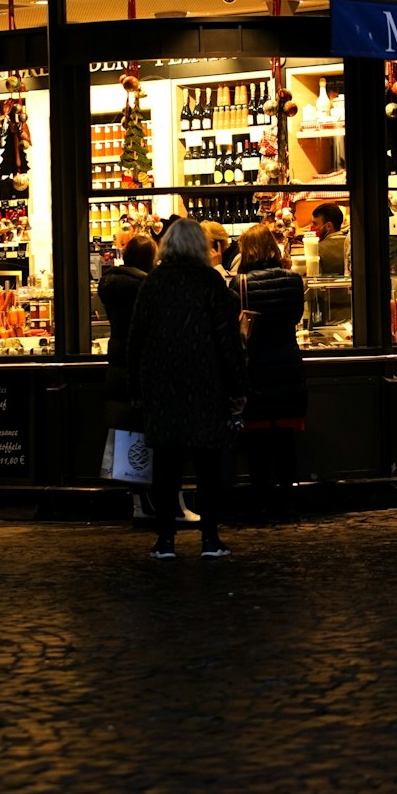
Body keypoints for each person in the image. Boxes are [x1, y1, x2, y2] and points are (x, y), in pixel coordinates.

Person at [127, 216, 245, 560]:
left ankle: (165, 540)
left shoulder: (153, 283)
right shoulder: (211, 283)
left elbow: (136, 339)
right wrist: (238, 387)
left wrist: (136, 386)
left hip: (162, 386)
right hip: (206, 384)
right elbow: (228, 341)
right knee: (208, 466)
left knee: (165, 466)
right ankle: (210, 539)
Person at [230, 224, 307, 523]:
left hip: (256, 370)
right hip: (288, 364)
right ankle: (287, 503)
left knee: (258, 444)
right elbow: (296, 318)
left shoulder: (240, 285)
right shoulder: (293, 280)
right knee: (286, 441)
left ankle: (259, 504)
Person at [97, 235, 157, 429]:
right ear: (150, 260)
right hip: (142, 368)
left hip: (117, 362)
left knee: (122, 432)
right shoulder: (146, 289)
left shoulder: (111, 284)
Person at [311, 202, 347, 274]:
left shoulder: (317, 249)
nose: (312, 228)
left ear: (328, 226)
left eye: (315, 224)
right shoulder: (352, 244)